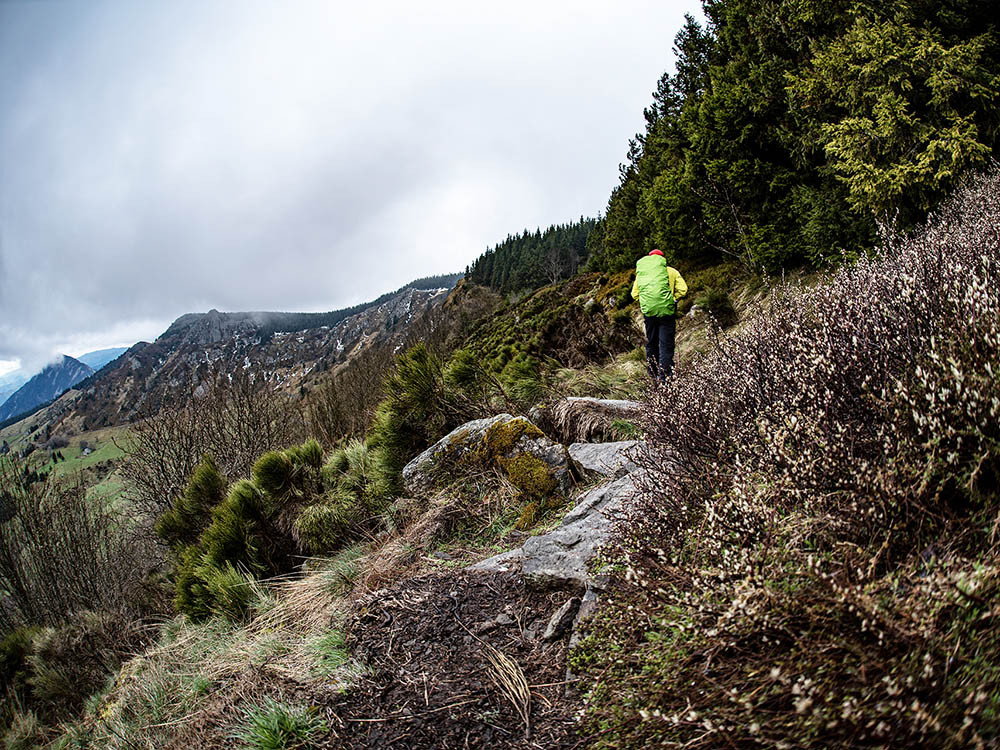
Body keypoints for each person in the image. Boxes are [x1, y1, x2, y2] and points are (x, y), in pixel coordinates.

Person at [631, 249, 687, 382]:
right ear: (662, 259)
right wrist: (673, 299)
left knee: (651, 343)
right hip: (667, 312)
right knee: (665, 344)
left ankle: (652, 374)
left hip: (649, 314)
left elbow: (634, 294)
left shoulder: (642, 274)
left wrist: (646, 301)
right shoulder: (671, 271)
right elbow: (683, 289)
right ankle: (665, 378)